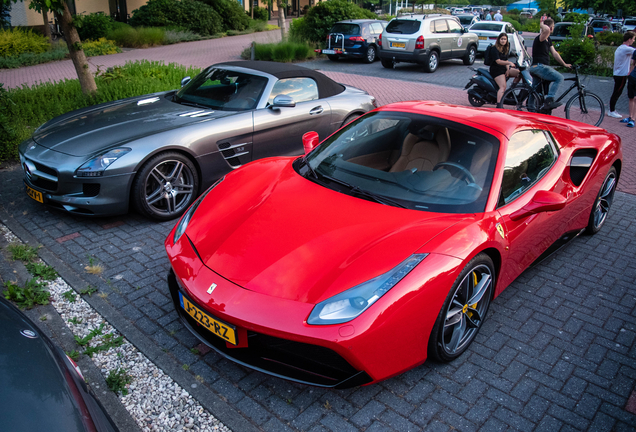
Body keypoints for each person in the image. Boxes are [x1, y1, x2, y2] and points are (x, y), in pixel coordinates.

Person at [529, 18, 572, 110]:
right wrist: (541, 23)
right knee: (559, 78)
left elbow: (555, 54)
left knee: (535, 90)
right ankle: (549, 101)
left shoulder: (548, 40)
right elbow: (547, 30)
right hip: (539, 66)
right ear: (551, 28)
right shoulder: (541, 38)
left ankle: (531, 108)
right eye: (553, 27)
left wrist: (564, 64)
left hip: (538, 67)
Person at [608, 31, 636, 119]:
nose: (634, 41)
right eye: (633, 39)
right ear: (629, 39)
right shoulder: (626, 49)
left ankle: (612, 110)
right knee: (617, 92)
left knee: (616, 92)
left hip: (617, 73)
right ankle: (611, 111)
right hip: (621, 74)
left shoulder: (620, 48)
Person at [489, 33, 520, 104]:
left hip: (504, 68)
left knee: (519, 73)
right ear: (499, 40)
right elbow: (498, 61)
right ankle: (499, 104)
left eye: (505, 39)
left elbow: (505, 60)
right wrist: (509, 63)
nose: (503, 41)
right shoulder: (494, 48)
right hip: (496, 70)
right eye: (502, 39)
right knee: (503, 87)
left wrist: (508, 70)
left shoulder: (505, 48)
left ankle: (511, 89)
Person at [621, 48, 636, 127]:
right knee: (631, 97)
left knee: (635, 98)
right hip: (633, 77)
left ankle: (633, 119)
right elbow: (634, 64)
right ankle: (630, 117)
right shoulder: (635, 52)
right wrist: (630, 73)